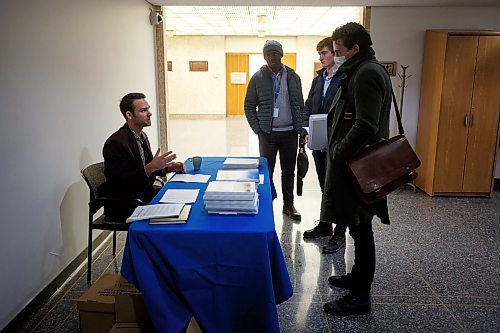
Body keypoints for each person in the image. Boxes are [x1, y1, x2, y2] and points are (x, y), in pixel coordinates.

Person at [321, 23, 391, 316]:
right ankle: (356, 278)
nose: (336, 56)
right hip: (354, 163)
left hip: (359, 165)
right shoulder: (361, 69)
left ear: (355, 49)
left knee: (362, 229)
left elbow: (366, 124)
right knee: (356, 226)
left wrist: (338, 149)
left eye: (339, 52)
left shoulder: (366, 73)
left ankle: (361, 296)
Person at [244, 40, 304, 220]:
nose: (271, 56)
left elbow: (299, 105)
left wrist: (301, 129)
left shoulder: (293, 77)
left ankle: (288, 204)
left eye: (275, 53)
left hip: (290, 134)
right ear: (264, 56)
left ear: (281, 55)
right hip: (267, 134)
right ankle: (267, 203)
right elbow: (248, 105)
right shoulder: (258, 77)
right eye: (268, 53)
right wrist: (258, 129)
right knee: (266, 171)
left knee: (289, 171)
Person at [102, 92, 185, 221]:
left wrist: (169, 168)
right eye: (144, 110)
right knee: (178, 211)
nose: (150, 113)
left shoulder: (141, 136)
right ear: (129, 115)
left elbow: (148, 167)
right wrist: (150, 168)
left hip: (144, 194)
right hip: (126, 204)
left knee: (183, 198)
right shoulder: (116, 143)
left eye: (149, 109)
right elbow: (119, 183)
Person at [301, 37, 348, 254]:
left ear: (335, 55)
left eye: (325, 53)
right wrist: (306, 130)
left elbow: (345, 115)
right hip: (317, 141)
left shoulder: (344, 79)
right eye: (320, 53)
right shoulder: (319, 79)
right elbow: (309, 106)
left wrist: (331, 141)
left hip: (335, 144)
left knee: (338, 188)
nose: (321, 57)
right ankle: (325, 225)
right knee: (324, 186)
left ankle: (340, 233)